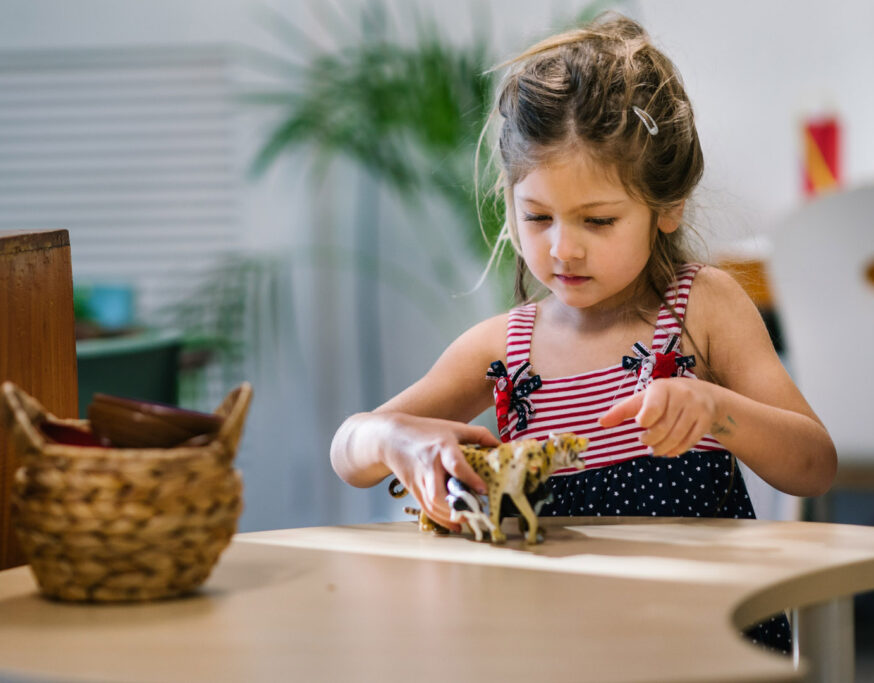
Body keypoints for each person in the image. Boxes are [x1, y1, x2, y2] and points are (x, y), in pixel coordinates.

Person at [330, 12, 837, 654]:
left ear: (667, 207)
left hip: (704, 643)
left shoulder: (700, 307)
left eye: (598, 222)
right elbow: (350, 453)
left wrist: (716, 410)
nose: (563, 249)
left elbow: (815, 466)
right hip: (553, 648)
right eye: (537, 216)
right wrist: (395, 438)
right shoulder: (502, 350)